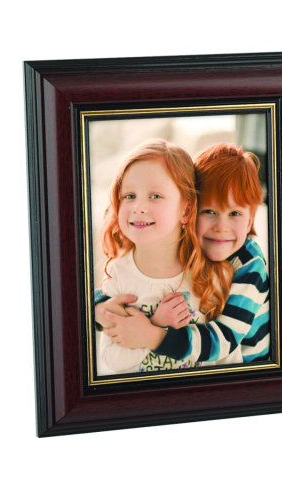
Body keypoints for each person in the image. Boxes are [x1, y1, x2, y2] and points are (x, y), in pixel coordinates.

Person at [100, 142, 270, 366]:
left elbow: (223, 340)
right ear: (189, 212)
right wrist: (99, 307)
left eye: (235, 213)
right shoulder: (187, 244)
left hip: (252, 366)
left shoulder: (250, 265)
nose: (221, 227)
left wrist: (153, 335)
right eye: (209, 211)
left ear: (249, 221)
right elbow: (125, 280)